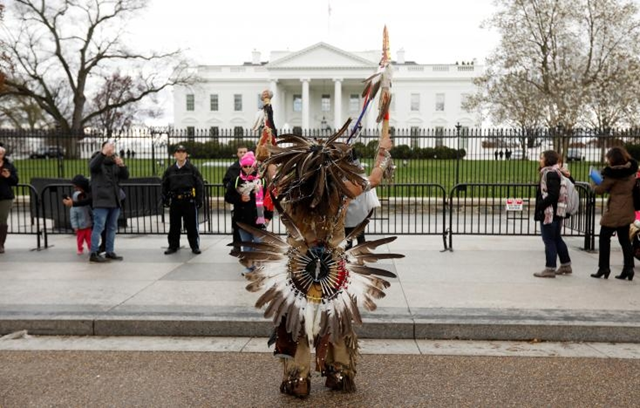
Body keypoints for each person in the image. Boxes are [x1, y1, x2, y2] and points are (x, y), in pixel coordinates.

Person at [591, 146, 638, 281]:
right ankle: (628, 269)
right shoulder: (631, 171)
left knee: (604, 238)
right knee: (625, 240)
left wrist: (594, 182)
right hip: (627, 209)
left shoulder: (612, 175)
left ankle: (603, 267)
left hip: (615, 211)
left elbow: (599, 190)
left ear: (613, 159)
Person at [224, 151, 272, 272]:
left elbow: (269, 200)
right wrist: (240, 199)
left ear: (254, 166)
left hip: (258, 218)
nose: (248, 168)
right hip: (242, 218)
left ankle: (258, 267)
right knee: (246, 246)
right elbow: (228, 197)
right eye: (245, 166)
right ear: (241, 166)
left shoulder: (262, 181)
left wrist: (268, 216)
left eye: (250, 165)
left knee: (258, 244)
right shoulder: (236, 181)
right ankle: (249, 267)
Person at [533, 150, 572, 278]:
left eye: (541, 158)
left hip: (550, 212)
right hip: (557, 212)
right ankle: (566, 265)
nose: (540, 160)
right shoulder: (557, 173)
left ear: (547, 160)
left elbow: (553, 195)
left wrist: (540, 205)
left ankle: (550, 268)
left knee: (549, 240)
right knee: (556, 238)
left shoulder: (550, 173)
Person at [88, 140, 129, 263]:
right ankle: (93, 253)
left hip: (114, 199)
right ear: (103, 148)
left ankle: (109, 251)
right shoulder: (97, 159)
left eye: (112, 147)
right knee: (99, 226)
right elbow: (92, 167)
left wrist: (122, 165)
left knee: (112, 227)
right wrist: (103, 153)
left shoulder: (115, 161)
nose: (111, 149)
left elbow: (126, 176)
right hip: (101, 200)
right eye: (108, 147)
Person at [162, 145, 205, 255]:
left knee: (191, 226)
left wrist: (199, 199)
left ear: (186, 154)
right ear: (175, 155)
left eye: (183, 152)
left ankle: (194, 246)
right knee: (174, 225)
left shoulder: (192, 169)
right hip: (175, 201)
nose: (181, 154)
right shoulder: (170, 170)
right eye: (178, 152)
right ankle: (173, 246)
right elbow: (164, 186)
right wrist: (165, 199)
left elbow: (199, 185)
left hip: (189, 201)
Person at [63, 174, 106, 254]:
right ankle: (97, 248)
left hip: (109, 203)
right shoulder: (87, 189)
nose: (76, 189)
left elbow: (90, 200)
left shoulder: (91, 187)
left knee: (100, 228)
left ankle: (96, 249)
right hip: (84, 225)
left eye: (76, 187)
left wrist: (74, 203)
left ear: (81, 185)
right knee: (100, 228)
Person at [223, 145, 249, 256]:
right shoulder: (233, 168)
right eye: (240, 152)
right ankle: (237, 245)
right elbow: (226, 181)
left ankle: (250, 246)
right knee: (236, 224)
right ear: (237, 154)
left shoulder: (253, 167)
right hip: (237, 201)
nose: (243, 154)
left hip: (250, 201)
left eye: (245, 152)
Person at [0, 145, 18, 254]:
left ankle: (1, 243)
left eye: (1, 153)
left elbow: (15, 181)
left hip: (5, 197)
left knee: (2, 219)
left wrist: (9, 176)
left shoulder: (9, 166)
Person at [70, 186, 92, 256]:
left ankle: (90, 248)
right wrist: (75, 226)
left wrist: (93, 220)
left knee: (89, 239)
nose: (81, 198)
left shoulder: (86, 206)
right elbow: (73, 218)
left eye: (82, 197)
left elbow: (91, 213)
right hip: (80, 227)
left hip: (88, 225)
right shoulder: (73, 208)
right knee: (80, 239)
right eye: (79, 197)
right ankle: (80, 249)